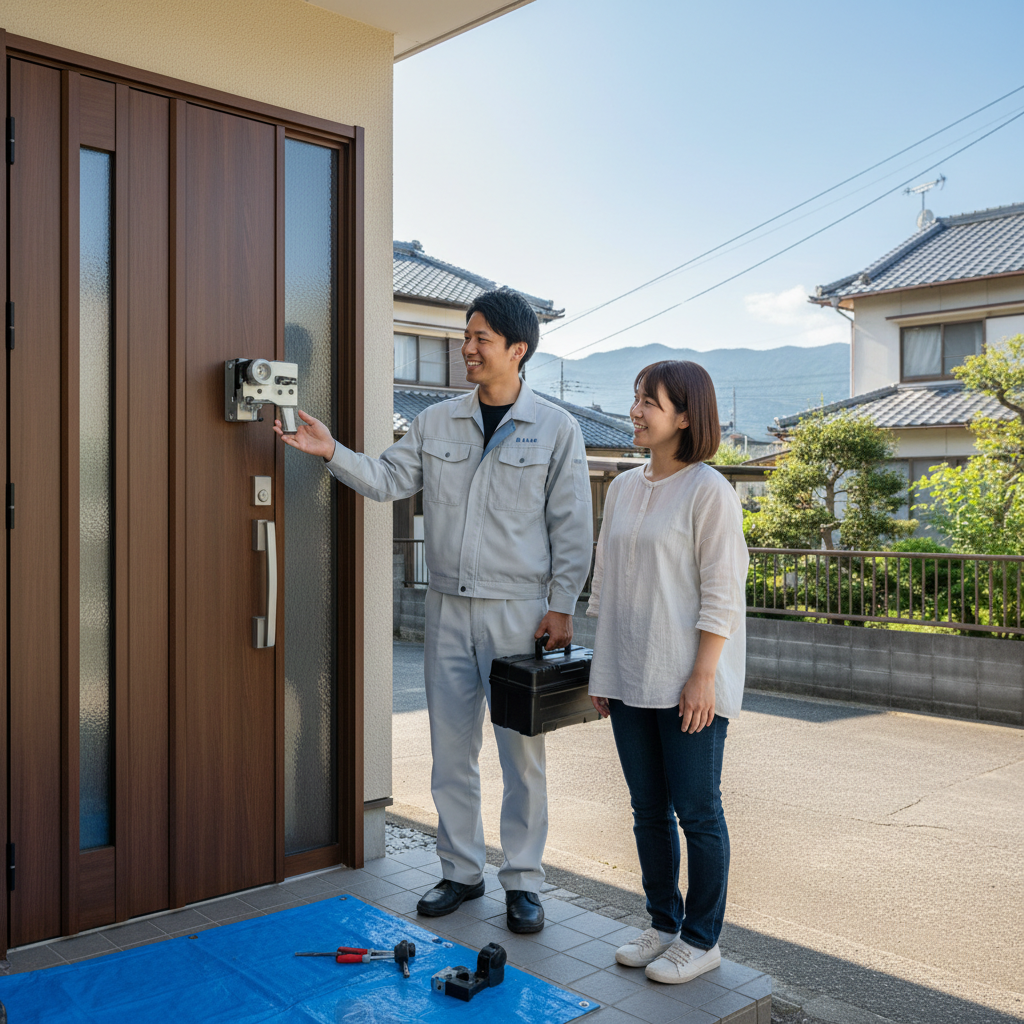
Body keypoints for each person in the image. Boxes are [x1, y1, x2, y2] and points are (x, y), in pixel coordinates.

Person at [274, 287, 592, 934]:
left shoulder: (557, 428)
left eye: (480, 338)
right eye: (465, 336)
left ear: (517, 350)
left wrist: (562, 608)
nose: (466, 348)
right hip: (447, 609)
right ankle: (460, 871)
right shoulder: (437, 420)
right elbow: (389, 479)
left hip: (520, 614)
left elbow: (573, 526)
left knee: (521, 754)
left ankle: (524, 883)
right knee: (451, 753)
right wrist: (331, 451)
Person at [586, 360, 748, 985]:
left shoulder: (709, 490)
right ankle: (662, 924)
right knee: (647, 809)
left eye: (647, 402)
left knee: (698, 812)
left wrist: (704, 675)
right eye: (635, 399)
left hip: (688, 683)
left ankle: (703, 939)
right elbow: (607, 585)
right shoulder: (626, 487)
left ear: (684, 416)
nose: (635, 411)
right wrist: (603, 671)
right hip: (629, 677)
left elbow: (722, 593)